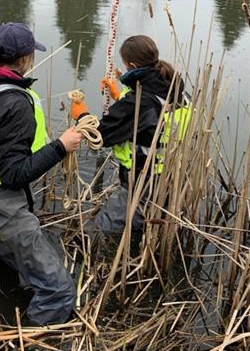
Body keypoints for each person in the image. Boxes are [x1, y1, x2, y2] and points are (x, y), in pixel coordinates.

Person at [0, 22, 82, 326]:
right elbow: (14, 175)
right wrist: (61, 147)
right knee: (59, 290)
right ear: (25, 59)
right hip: (1, 205)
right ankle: (29, 350)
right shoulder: (13, 102)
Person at [70, 35, 191, 236]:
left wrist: (81, 114)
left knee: (90, 234)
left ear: (132, 65)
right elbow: (149, 118)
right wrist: (119, 95)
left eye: (126, 67)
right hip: (170, 179)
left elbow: (100, 137)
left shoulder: (138, 104)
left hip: (142, 185)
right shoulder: (176, 90)